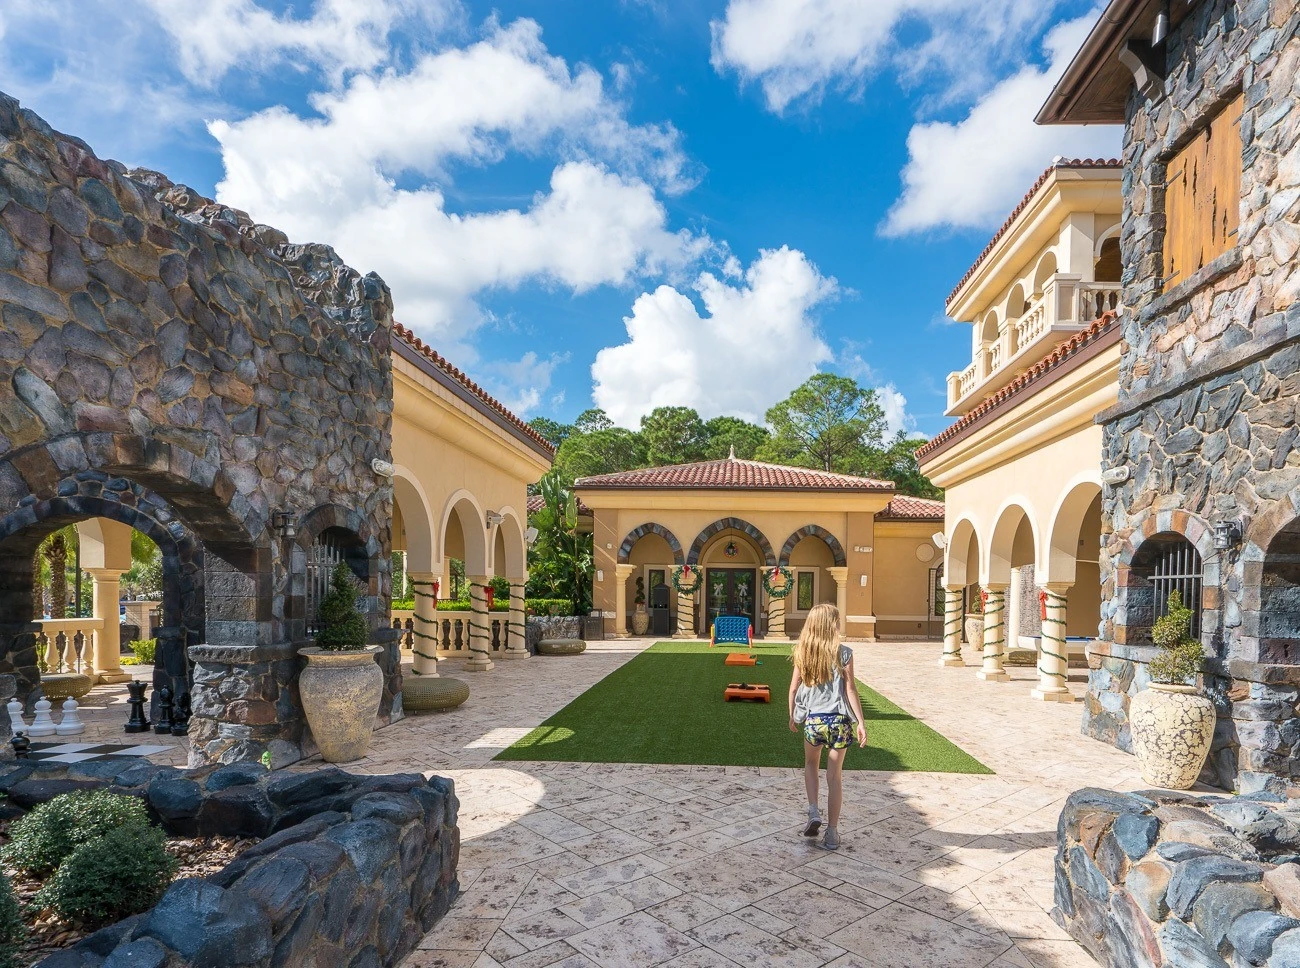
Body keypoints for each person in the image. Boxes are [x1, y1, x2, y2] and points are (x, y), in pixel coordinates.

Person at [788, 603, 868, 850]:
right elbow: (851, 690)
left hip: (814, 721)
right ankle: (832, 833)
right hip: (840, 723)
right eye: (837, 620)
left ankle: (813, 811)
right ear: (831, 625)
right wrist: (861, 722)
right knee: (835, 776)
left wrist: (792, 715)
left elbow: (793, 688)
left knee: (811, 764)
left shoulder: (804, 652)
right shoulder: (844, 653)